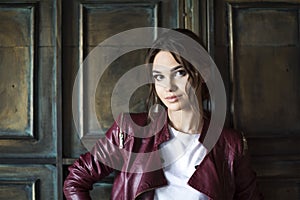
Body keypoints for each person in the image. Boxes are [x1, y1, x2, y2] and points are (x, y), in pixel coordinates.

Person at [64, 28, 263, 200]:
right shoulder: (130, 131)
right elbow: (75, 181)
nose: (168, 87)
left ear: (204, 73)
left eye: (179, 73)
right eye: (159, 76)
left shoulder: (230, 145)